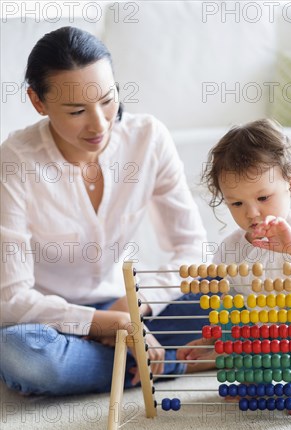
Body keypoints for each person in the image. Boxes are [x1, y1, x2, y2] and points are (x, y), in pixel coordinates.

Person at [0, 26, 209, 396]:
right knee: (23, 353)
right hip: (48, 320)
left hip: (126, 302)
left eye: (107, 100)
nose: (100, 124)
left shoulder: (148, 139)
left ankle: (113, 363)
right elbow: (12, 300)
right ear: (38, 102)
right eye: (77, 110)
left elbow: (192, 250)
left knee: (229, 301)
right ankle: (171, 363)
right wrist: (102, 324)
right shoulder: (14, 161)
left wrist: (135, 303)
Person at [177, 119, 291, 413]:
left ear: (290, 183)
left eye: (263, 197)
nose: (251, 212)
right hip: (268, 346)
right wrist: (210, 339)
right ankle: (254, 382)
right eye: (236, 204)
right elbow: (227, 309)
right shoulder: (230, 248)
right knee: (229, 312)